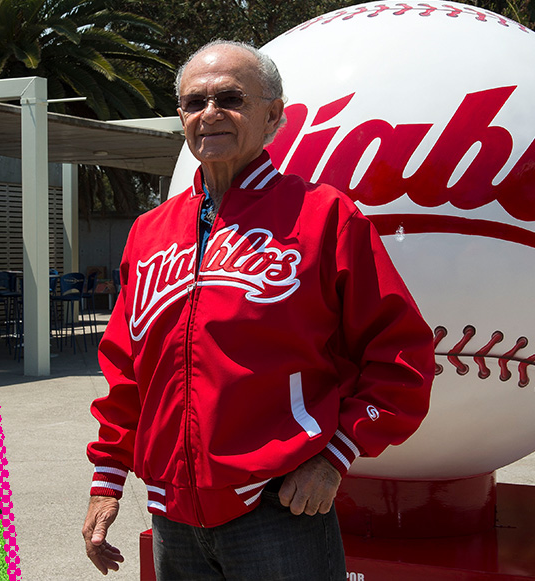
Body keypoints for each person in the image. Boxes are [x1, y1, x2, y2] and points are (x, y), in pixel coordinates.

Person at [81, 40, 435, 579]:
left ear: (273, 115)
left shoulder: (324, 216)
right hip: (173, 514)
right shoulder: (149, 232)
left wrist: (333, 459)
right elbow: (127, 372)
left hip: (280, 508)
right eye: (194, 102)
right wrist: (107, 482)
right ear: (181, 117)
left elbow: (402, 356)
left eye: (230, 98)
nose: (210, 113)